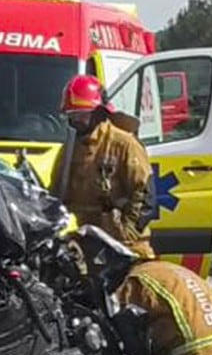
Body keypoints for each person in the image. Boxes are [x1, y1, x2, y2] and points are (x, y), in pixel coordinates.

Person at [59, 74, 156, 259]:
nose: (75, 121)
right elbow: (57, 193)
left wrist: (126, 236)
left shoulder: (124, 143)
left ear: (99, 112)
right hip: (88, 242)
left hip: (125, 246)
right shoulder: (71, 148)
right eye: (71, 116)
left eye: (81, 115)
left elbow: (145, 196)